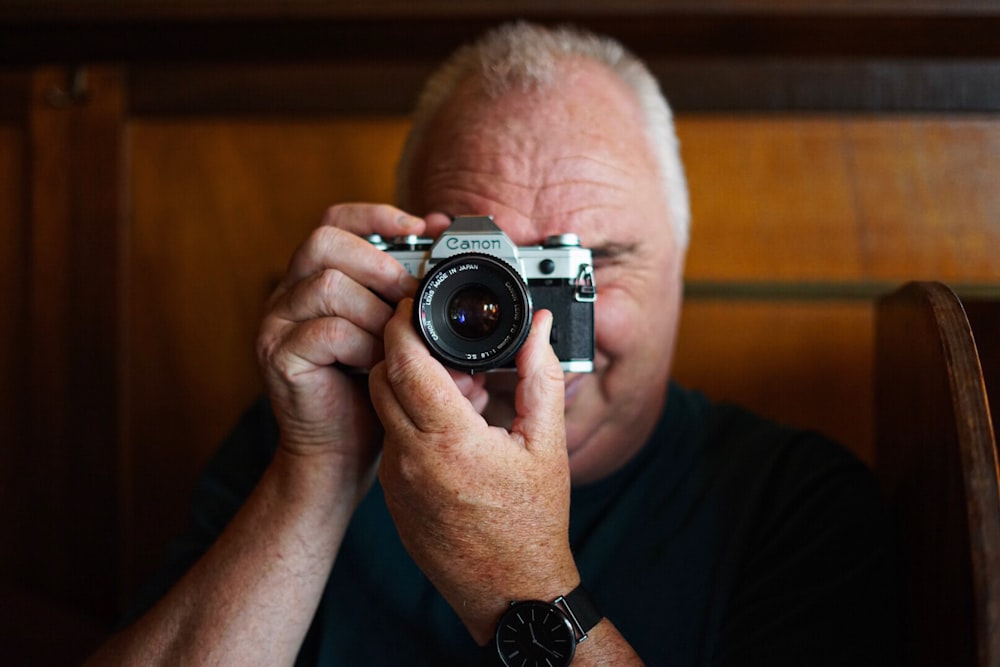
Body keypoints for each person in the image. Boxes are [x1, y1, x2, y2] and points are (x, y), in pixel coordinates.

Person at [88, 21, 899, 666]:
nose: (525, 336)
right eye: (477, 276)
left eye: (586, 266)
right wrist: (322, 476)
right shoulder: (301, 445)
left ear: (681, 266)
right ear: (398, 263)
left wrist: (521, 585)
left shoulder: (794, 502)